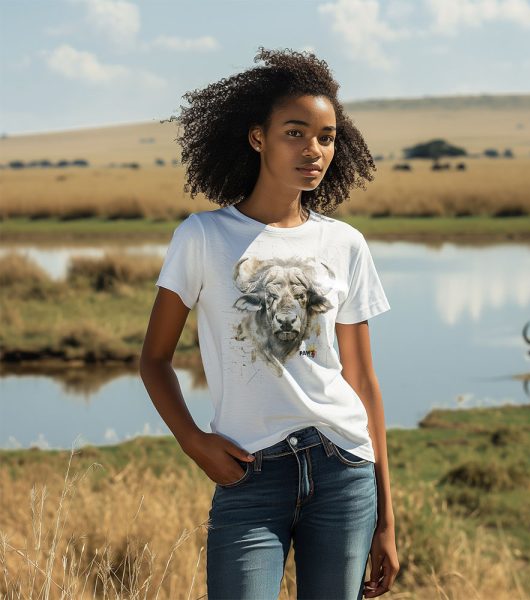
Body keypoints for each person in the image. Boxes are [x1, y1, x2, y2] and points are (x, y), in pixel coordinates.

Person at [140, 46, 400, 599]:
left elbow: (362, 381)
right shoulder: (202, 237)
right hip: (249, 472)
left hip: (344, 469)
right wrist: (193, 441)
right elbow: (154, 359)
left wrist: (386, 518)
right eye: (295, 132)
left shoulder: (345, 243)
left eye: (326, 137)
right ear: (257, 137)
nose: (314, 150)